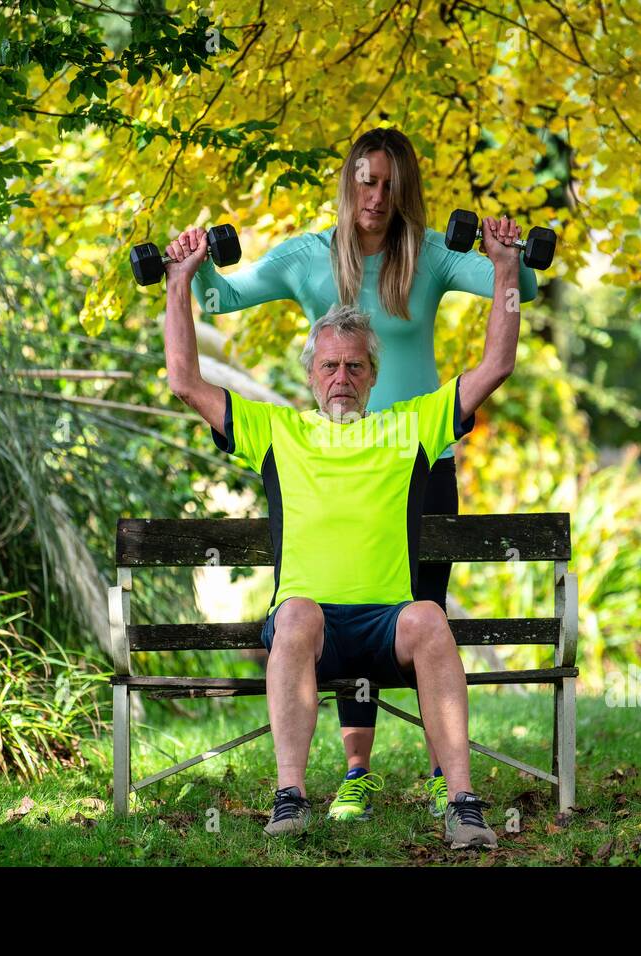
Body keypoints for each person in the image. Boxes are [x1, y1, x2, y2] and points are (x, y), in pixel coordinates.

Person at [190, 128, 540, 821]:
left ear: (405, 188)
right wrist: (194, 262)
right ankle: (358, 771)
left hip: (419, 461)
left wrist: (508, 255)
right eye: (364, 180)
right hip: (335, 460)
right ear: (348, 183)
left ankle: (447, 774)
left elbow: (519, 285)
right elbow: (218, 301)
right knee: (337, 588)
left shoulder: (433, 254)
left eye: (388, 183)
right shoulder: (306, 258)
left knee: (415, 610)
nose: (375, 195)